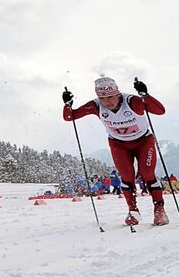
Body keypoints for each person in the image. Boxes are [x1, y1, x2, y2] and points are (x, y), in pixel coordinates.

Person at [63, 76, 169, 226]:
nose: (108, 102)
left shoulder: (132, 102)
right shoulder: (95, 105)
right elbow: (69, 117)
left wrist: (145, 95)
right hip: (119, 144)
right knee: (126, 177)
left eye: (111, 97)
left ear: (118, 94)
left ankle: (159, 209)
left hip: (143, 141)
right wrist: (67, 104)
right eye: (103, 98)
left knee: (147, 174)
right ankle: (133, 211)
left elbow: (160, 111)